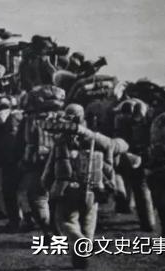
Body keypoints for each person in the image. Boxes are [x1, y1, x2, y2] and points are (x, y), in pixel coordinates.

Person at [42, 104, 125, 269]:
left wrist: (46, 185)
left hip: (66, 190)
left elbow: (49, 169)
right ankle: (82, 252)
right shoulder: (94, 139)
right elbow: (111, 154)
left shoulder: (60, 141)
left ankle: (78, 242)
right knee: (88, 222)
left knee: (65, 221)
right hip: (91, 189)